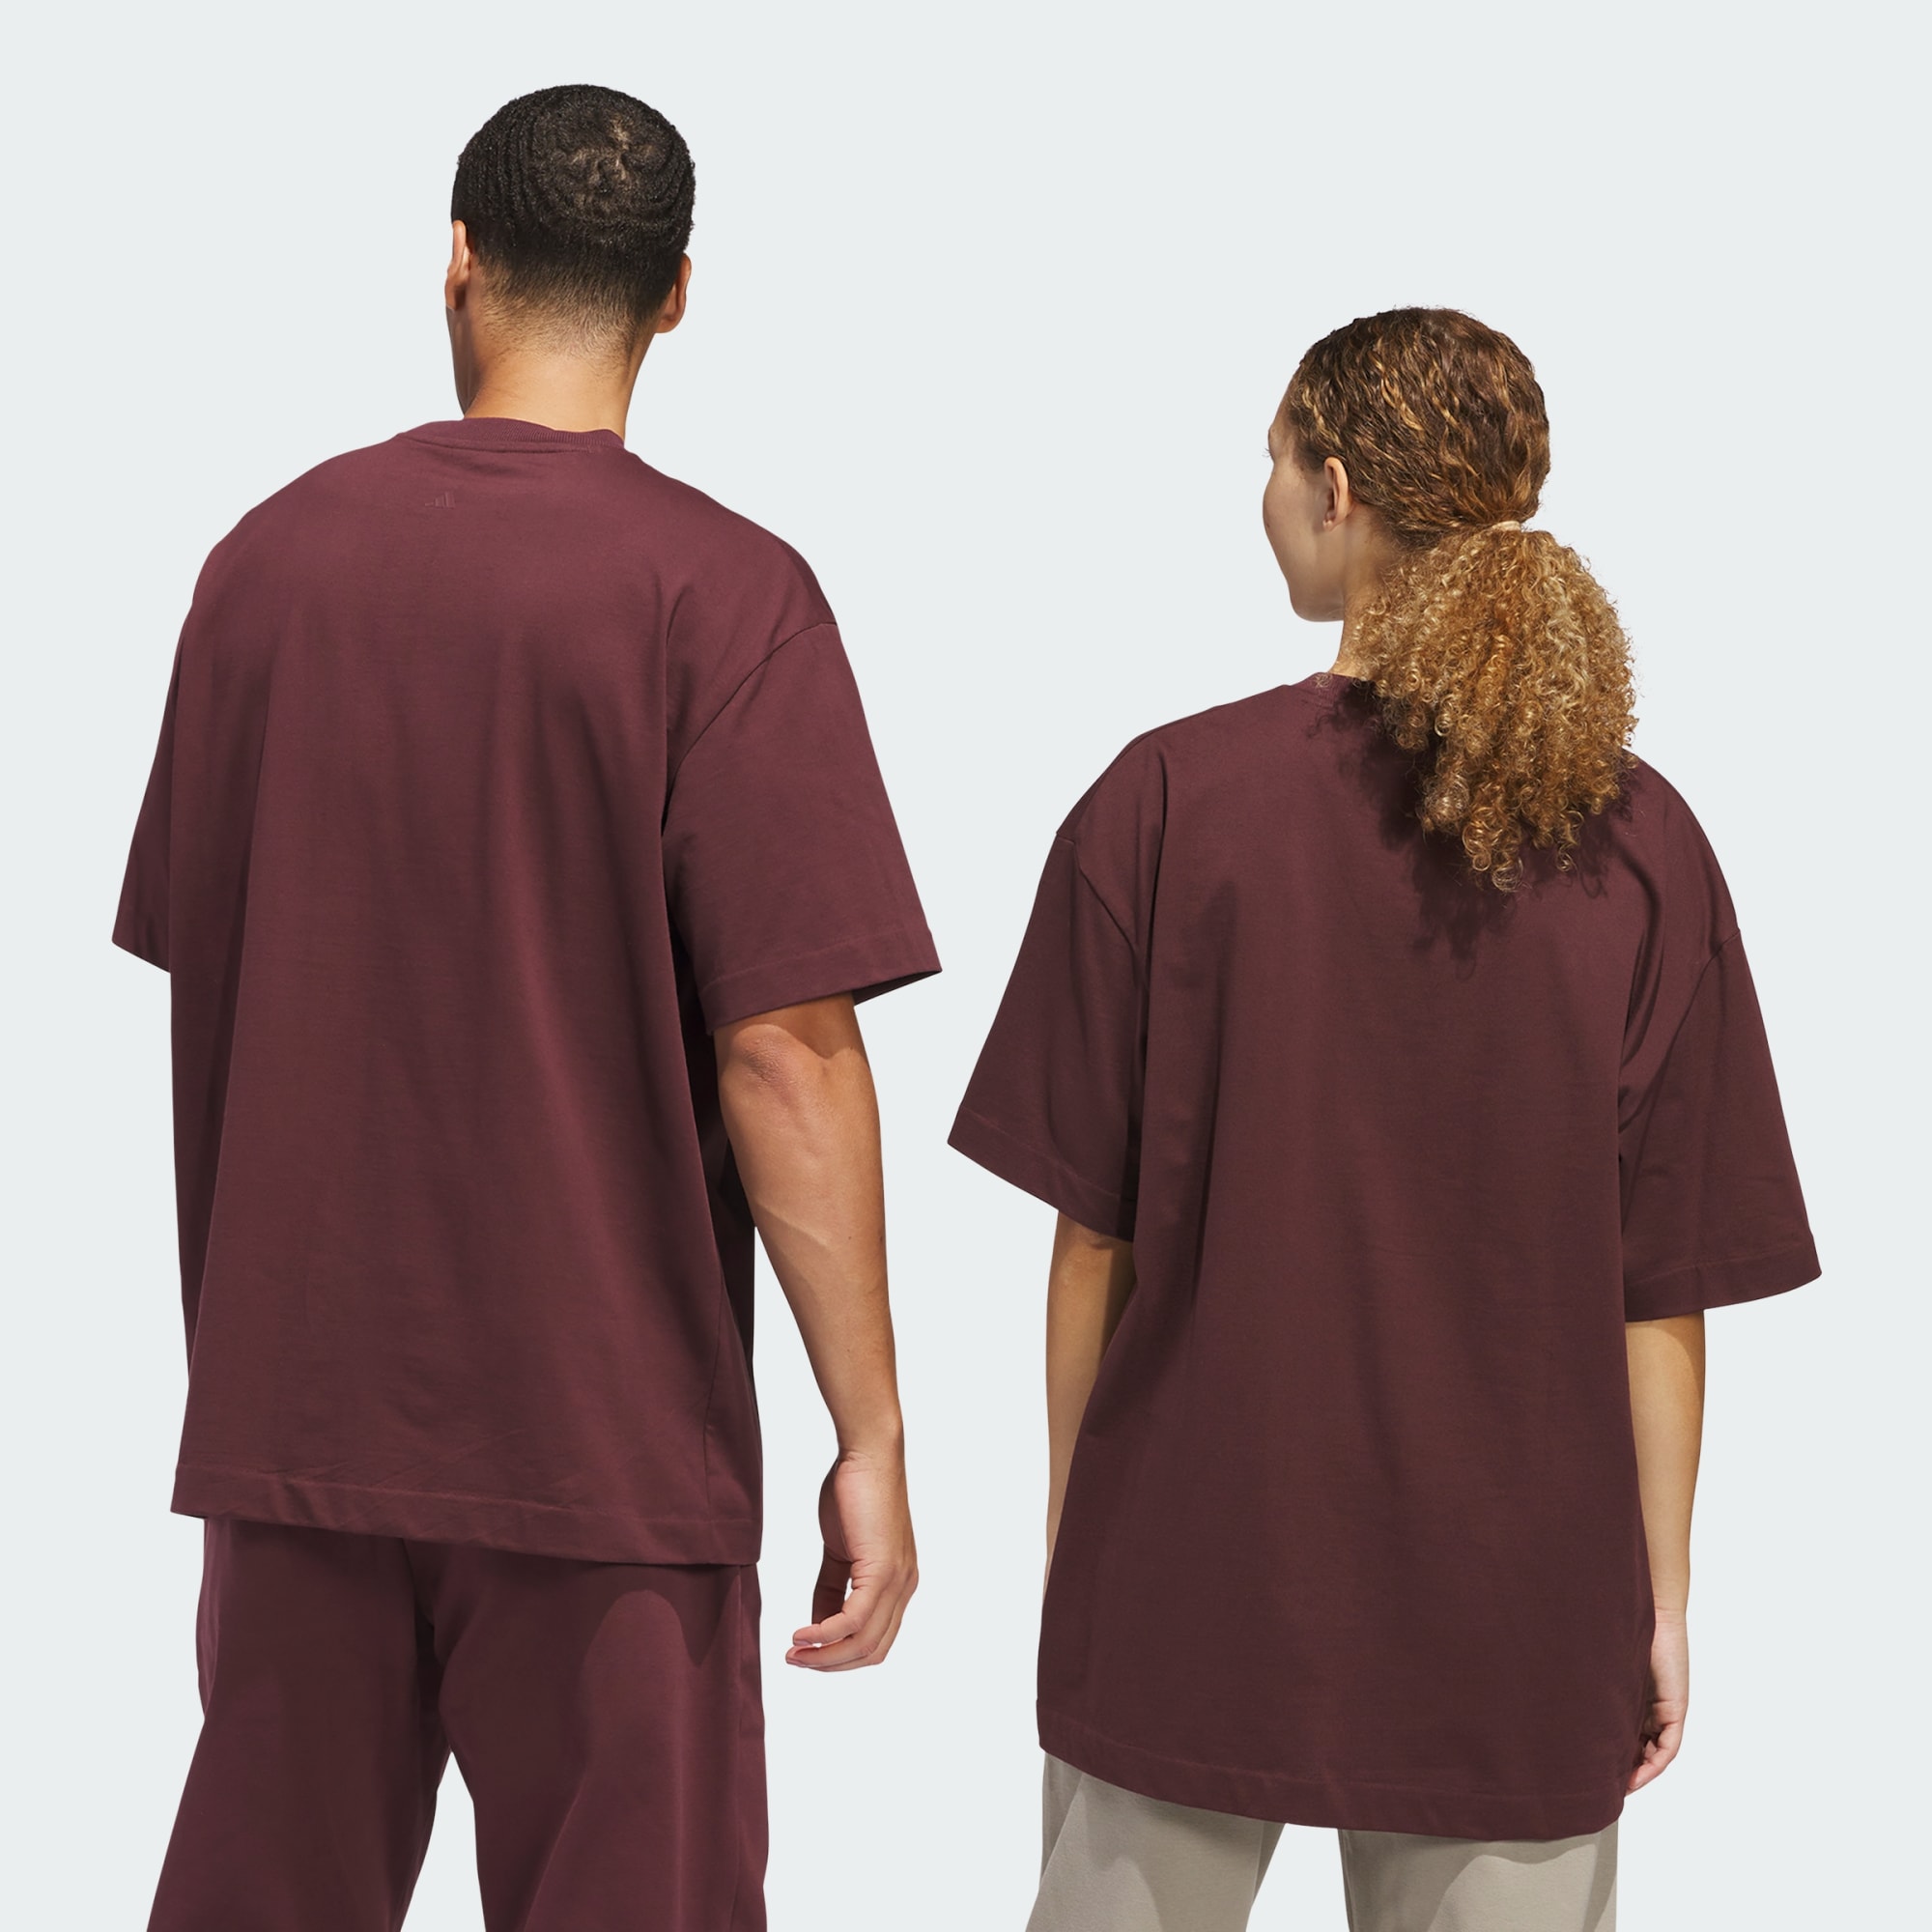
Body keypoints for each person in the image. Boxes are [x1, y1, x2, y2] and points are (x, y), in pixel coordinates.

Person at [113, 84, 937, 1932]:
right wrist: (871, 1435)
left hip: (296, 1427)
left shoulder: (261, 571)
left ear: (459, 262)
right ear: (677, 294)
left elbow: (218, 951)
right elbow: (786, 1054)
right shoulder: (728, 600)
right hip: (606, 1452)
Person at [951, 307, 1816, 1932]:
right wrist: (1663, 1598)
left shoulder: (1165, 803)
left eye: (1274, 461)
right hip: (1521, 1616)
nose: (1264, 497)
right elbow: (1661, 1292)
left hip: (1196, 1574)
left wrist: (1081, 1549)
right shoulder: (1644, 847)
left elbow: (1091, 1247)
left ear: (1337, 487)